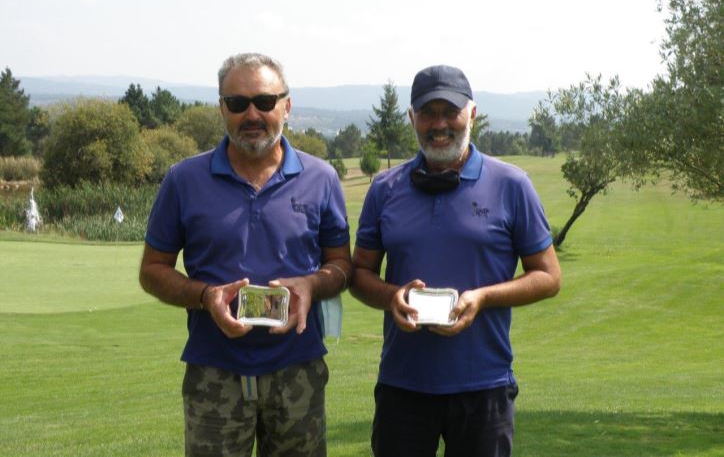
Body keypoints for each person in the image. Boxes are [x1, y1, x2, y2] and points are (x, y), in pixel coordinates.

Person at [139, 53, 351, 457]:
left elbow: (341, 265)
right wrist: (205, 296)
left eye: (265, 102)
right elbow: (152, 270)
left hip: (298, 369)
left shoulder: (321, 178)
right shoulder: (183, 179)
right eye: (237, 103)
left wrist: (310, 285)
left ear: (287, 106)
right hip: (214, 371)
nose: (252, 114)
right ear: (222, 108)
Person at [350, 65, 561, 457]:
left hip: (484, 386)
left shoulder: (512, 185)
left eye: (452, 111)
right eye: (428, 113)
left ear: (473, 113)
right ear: (411, 117)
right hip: (403, 385)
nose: (440, 124)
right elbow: (359, 273)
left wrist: (482, 298)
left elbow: (548, 277)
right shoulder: (384, 189)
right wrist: (391, 297)